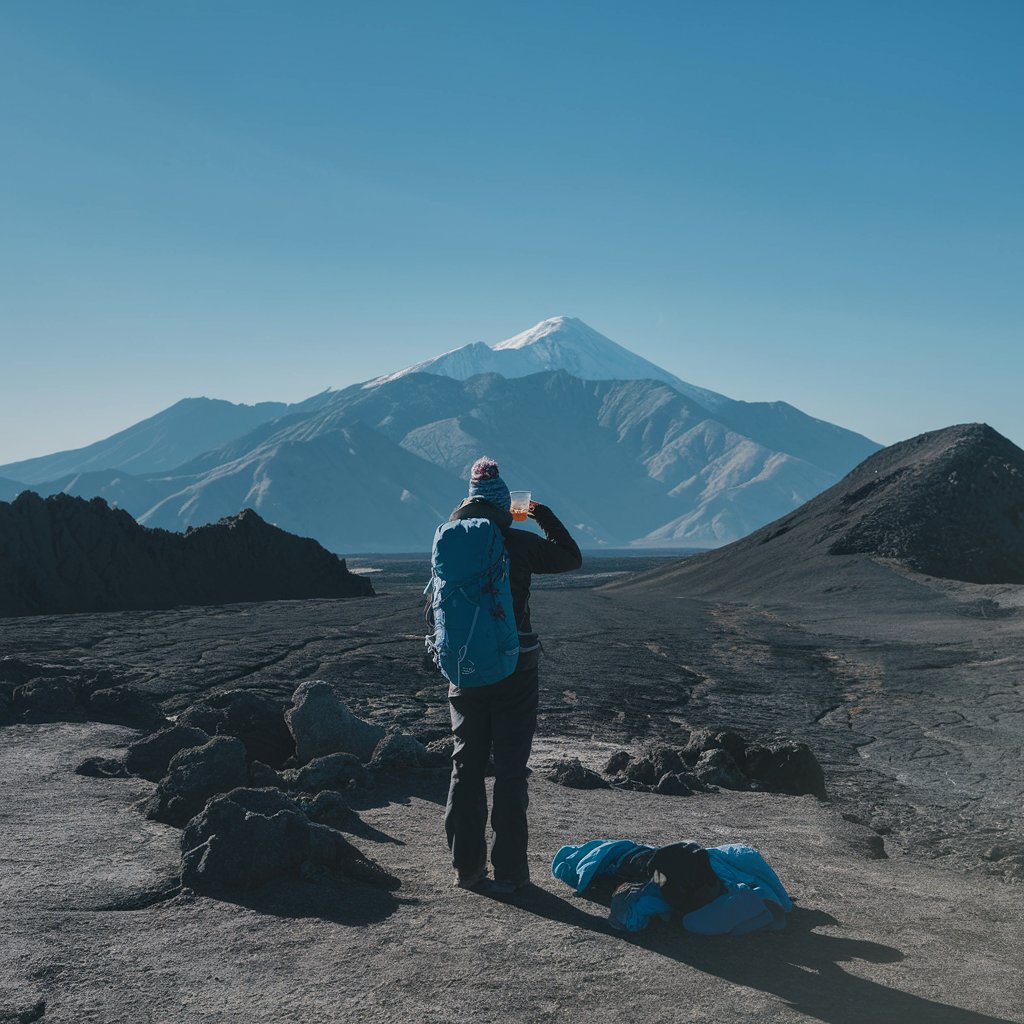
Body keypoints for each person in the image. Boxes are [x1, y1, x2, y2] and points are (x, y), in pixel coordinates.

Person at [439, 456, 582, 894]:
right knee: (510, 769)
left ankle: (467, 868)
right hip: (516, 667)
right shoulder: (517, 544)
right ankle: (512, 872)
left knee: (466, 766)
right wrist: (539, 512)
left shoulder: (446, 541)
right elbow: (570, 557)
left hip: (463, 669)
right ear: (505, 506)